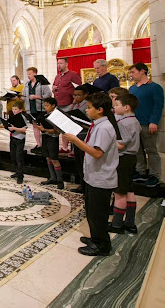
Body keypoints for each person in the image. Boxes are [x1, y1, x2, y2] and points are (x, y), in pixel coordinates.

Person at [64, 92, 120, 257]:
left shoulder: (104, 128)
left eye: (89, 108)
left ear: (100, 109)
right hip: (93, 176)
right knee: (91, 212)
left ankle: (102, 245)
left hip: (101, 178)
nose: (86, 111)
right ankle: (95, 238)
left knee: (98, 214)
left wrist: (76, 141)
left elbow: (97, 153)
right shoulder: (97, 124)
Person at [129, 62, 164, 187]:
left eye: (133, 72)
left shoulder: (154, 87)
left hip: (147, 123)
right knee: (137, 149)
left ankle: (154, 175)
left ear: (142, 71)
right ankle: (141, 171)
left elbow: (158, 105)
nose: (131, 75)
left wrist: (154, 121)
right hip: (134, 124)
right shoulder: (132, 89)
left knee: (151, 150)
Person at [109, 93, 140, 235]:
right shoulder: (134, 120)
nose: (114, 108)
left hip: (123, 158)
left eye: (116, 106)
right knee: (129, 190)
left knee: (120, 192)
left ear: (126, 107)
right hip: (131, 158)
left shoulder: (125, 123)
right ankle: (130, 222)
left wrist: (107, 141)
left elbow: (121, 145)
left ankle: (117, 224)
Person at [53, 58, 82, 152]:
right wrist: (53, 89)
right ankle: (65, 147)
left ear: (66, 64)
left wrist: (74, 102)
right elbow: (54, 88)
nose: (59, 65)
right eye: (58, 63)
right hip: (59, 104)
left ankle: (74, 149)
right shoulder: (57, 76)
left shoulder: (73, 75)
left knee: (70, 127)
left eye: (61, 63)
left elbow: (79, 89)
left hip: (69, 104)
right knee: (62, 127)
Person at [22, 67, 52, 153]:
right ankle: (38, 144)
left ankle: (45, 145)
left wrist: (37, 97)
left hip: (40, 108)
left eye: (30, 74)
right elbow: (24, 96)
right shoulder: (27, 84)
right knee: (35, 126)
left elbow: (48, 94)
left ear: (35, 73)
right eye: (27, 74)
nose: (28, 76)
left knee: (42, 126)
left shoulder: (42, 83)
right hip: (30, 109)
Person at [36, 97, 64, 189]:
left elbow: (57, 130)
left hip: (53, 139)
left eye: (47, 106)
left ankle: (60, 180)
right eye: (45, 105)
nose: (45, 107)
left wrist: (44, 129)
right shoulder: (45, 115)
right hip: (45, 137)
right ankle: (52, 177)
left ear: (53, 106)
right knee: (48, 158)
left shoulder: (57, 115)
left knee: (54, 159)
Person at [8, 101, 29, 185]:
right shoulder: (13, 117)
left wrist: (14, 129)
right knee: (13, 156)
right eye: (13, 109)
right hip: (13, 138)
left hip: (20, 139)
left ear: (20, 110)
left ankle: (20, 175)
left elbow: (24, 130)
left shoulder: (22, 117)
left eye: (15, 109)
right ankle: (17, 172)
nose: (14, 111)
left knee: (19, 157)